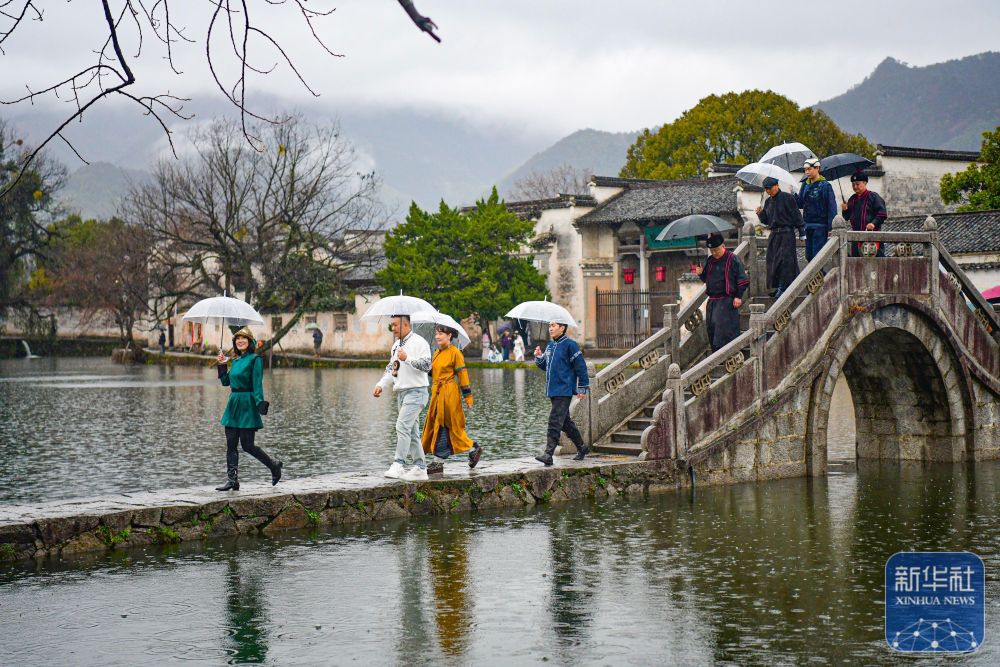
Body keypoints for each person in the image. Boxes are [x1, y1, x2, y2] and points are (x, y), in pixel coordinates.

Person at [214, 327, 283, 491]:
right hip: (233, 404)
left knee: (247, 445)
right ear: (235, 343)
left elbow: (257, 383)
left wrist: (260, 402)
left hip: (248, 404)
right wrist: (222, 365)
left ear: (250, 341)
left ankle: (274, 466)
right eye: (237, 339)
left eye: (243, 338)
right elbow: (225, 382)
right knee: (231, 444)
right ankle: (232, 481)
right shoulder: (236, 361)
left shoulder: (255, 359)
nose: (240, 341)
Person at [373, 314, 432, 481]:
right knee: (411, 432)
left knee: (402, 426)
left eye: (395, 325)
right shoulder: (396, 346)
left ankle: (398, 464)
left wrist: (408, 358)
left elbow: (427, 366)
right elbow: (393, 368)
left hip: (417, 392)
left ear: (406, 325)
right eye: (392, 325)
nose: (393, 328)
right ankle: (420, 468)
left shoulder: (420, 342)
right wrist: (381, 384)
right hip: (401, 393)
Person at [422, 325, 483, 475]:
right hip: (437, 393)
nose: (437, 336)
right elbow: (434, 373)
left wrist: (468, 396)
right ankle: (472, 449)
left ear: (449, 335)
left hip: (449, 394)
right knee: (438, 424)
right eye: (436, 333)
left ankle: (438, 462)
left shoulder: (455, 353)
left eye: (441, 333)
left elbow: (462, 375)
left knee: (446, 425)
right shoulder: (436, 353)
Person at [533, 321, 589, 466]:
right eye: (549, 326)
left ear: (562, 328)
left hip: (564, 389)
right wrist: (539, 357)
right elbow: (546, 366)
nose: (550, 328)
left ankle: (548, 454)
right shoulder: (550, 346)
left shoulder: (571, 345)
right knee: (565, 423)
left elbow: (581, 366)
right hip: (552, 389)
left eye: (553, 325)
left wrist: (582, 387)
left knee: (554, 421)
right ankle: (582, 448)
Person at [693, 234, 750, 352]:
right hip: (712, 301)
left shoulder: (732, 259)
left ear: (723, 246)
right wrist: (700, 273)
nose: (714, 253)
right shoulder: (710, 261)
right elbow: (707, 279)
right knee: (711, 329)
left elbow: (742, 279)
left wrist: (738, 296)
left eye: (717, 250)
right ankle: (716, 353)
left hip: (726, 300)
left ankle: (727, 354)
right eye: (712, 250)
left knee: (723, 330)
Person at [755, 176, 804, 297]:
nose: (768, 191)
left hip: (786, 233)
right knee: (773, 261)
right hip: (774, 235)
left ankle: (784, 287)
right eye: (766, 189)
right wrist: (760, 214)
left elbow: (797, 216)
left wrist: (802, 233)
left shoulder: (788, 198)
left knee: (785, 261)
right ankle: (778, 287)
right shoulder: (768, 201)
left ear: (777, 185)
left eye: (770, 188)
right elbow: (766, 221)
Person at [796, 157, 837, 262]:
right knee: (808, 256)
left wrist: (831, 227)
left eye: (809, 169)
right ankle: (815, 278)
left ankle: (819, 278)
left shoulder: (825, 185)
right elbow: (800, 203)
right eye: (805, 170)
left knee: (817, 256)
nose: (807, 172)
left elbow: (831, 207)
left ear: (817, 168)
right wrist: (793, 195)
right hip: (807, 225)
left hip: (820, 226)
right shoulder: (805, 184)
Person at [841, 171, 888, 257]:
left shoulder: (873, 196)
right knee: (856, 263)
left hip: (872, 236)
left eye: (857, 184)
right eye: (853, 184)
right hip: (856, 238)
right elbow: (846, 217)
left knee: (874, 263)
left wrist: (873, 223)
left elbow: (882, 213)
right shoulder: (852, 199)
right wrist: (845, 210)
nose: (855, 187)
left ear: (865, 183)